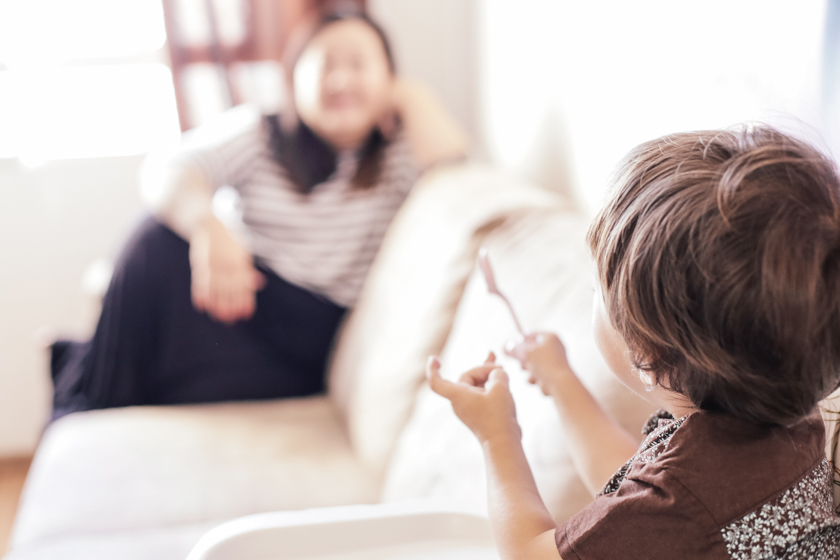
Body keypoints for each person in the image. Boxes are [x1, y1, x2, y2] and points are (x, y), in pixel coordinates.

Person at [427, 126, 840, 559]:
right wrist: (560, 379)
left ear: (651, 353)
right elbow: (635, 493)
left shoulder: (676, 503)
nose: (593, 295)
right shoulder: (788, 417)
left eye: (597, 290)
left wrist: (497, 434)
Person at [49, 10, 468, 420]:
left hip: (315, 335)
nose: (341, 80)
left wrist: (411, 94)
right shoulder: (262, 134)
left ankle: (80, 372)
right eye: (325, 66)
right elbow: (166, 167)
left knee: (154, 366)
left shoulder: (396, 154)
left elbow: (453, 176)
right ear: (294, 79)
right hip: (247, 296)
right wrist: (209, 226)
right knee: (153, 240)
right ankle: (90, 396)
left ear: (388, 80)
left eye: (359, 65)